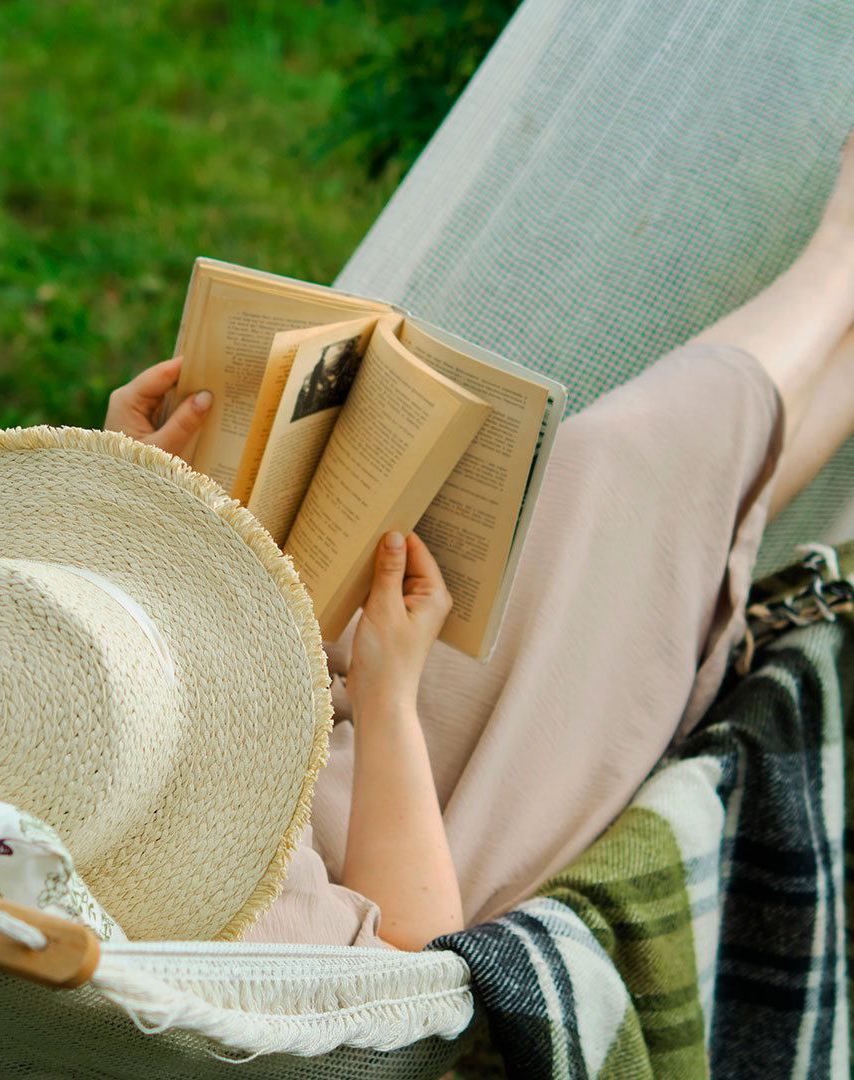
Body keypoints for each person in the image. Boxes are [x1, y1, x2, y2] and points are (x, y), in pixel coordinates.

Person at [102, 139, 854, 951]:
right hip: (412, 803)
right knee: (625, 483)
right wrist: (388, 691)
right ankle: (840, 261)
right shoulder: (195, 911)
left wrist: (137, 506)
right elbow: (403, 968)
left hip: (294, 683)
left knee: (604, 488)